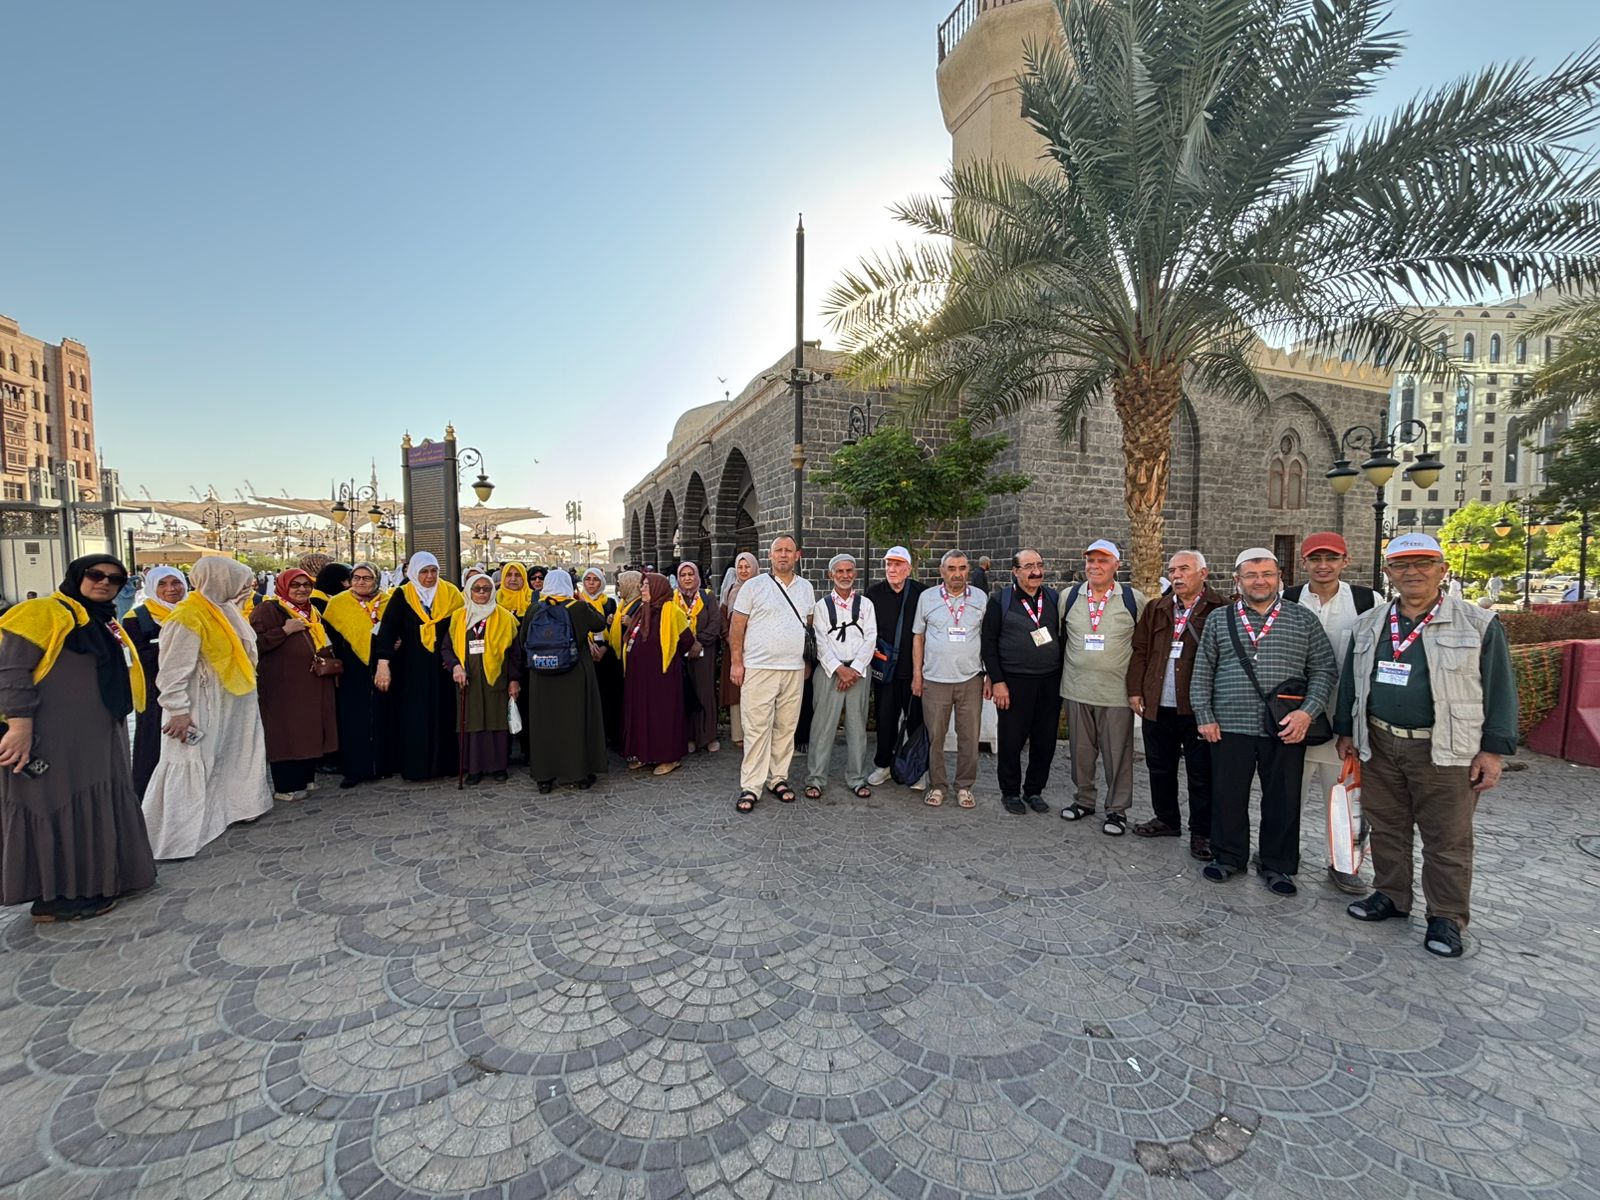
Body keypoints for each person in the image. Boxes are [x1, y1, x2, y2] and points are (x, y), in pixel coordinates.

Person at [1334, 533, 1518, 958]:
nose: (1411, 572)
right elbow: (1351, 683)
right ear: (1388, 573)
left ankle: (1446, 917)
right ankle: (1391, 896)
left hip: (1446, 749)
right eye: (1401, 565)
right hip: (1379, 741)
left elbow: (1500, 689)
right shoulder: (1371, 624)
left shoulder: (1477, 624)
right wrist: (1347, 730)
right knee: (1387, 828)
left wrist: (1493, 751)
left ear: (1442, 569)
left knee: (1447, 839)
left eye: (1422, 563)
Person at [0, 554, 156, 922]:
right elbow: (11, 669)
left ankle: (101, 880)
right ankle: (57, 897)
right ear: (76, 576)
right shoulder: (43, 612)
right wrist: (19, 727)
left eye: (115, 580)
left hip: (97, 736)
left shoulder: (100, 620)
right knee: (56, 802)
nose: (104, 583)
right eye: (95, 575)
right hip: (53, 737)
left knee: (96, 800)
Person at [1191, 548, 1337, 896]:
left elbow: (1323, 669)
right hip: (1229, 725)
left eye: (1267, 574)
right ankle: (1228, 857)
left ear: (1279, 578)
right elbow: (1202, 670)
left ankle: (1278, 865)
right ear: (1237, 580)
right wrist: (1204, 715)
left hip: (1285, 727)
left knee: (1283, 799)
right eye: (1252, 575)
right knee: (1227, 796)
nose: (1260, 581)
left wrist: (1308, 712)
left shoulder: (1302, 619)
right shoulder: (1219, 619)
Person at [141, 557, 273, 859]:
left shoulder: (225, 610)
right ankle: (176, 833)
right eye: (239, 582)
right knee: (192, 757)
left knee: (235, 752)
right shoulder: (187, 616)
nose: (246, 588)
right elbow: (173, 670)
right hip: (201, 701)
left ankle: (239, 807)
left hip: (234, 698)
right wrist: (177, 710)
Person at [1284, 532, 1378, 892]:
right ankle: (1280, 854)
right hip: (1292, 713)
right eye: (1315, 559)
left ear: (1345, 561)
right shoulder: (1288, 598)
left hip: (1344, 718)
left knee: (1342, 793)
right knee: (1286, 791)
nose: (1323, 566)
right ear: (1304, 562)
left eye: (1331, 559)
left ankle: (1343, 863)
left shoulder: (1367, 600)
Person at [1126, 550, 1226, 858]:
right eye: (1173, 570)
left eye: (1184, 569)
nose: (1177, 575)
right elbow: (1141, 649)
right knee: (1160, 767)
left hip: (1196, 707)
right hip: (1158, 703)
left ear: (1203, 574)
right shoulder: (1157, 608)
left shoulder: (1220, 609)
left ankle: (1202, 833)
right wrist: (1135, 690)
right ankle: (1167, 819)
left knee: (1200, 773)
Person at [1058, 539, 1148, 834]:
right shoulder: (1069, 597)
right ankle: (1084, 800)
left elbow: (1143, 648)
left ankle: (1117, 810)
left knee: (1117, 754)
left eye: (1102, 561)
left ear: (1117, 565)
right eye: (1091, 561)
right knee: (1081, 753)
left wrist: (1139, 689)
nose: (1095, 566)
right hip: (1076, 689)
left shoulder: (1134, 600)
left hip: (1116, 694)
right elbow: (1061, 639)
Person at [728, 536, 815, 812]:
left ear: (797, 555)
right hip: (758, 668)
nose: (783, 555)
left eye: (788, 550)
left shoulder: (806, 588)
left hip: (793, 670)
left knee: (786, 727)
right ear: (770, 555)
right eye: (778, 550)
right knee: (756, 728)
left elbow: (807, 626)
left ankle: (777, 778)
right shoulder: (753, 587)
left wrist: (806, 662)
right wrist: (736, 662)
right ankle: (751, 785)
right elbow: (737, 626)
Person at [980, 548, 1063, 815]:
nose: (1035, 571)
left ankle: (1034, 790)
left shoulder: (1053, 598)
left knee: (1045, 741)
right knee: (1011, 740)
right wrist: (998, 680)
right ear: (1015, 572)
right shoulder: (999, 601)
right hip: (1014, 683)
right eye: (1028, 566)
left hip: (1049, 683)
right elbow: (988, 644)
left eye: (1039, 565)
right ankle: (1011, 792)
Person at [373, 551, 464, 781]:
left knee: (444, 714)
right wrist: (383, 663)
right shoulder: (403, 595)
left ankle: (445, 765)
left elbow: (461, 627)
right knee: (415, 716)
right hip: (411, 667)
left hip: (442, 665)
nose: (430, 576)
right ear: (414, 572)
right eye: (424, 572)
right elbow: (388, 631)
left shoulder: (451, 593)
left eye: (433, 571)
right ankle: (417, 767)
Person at [251, 569, 340, 800]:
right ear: (283, 587)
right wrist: (283, 631)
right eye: (295, 585)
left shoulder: (312, 610)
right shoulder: (269, 609)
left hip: (311, 681)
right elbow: (253, 645)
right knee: (286, 731)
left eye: (306, 584)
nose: (302, 589)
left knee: (309, 729)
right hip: (283, 685)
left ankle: (306, 778)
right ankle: (286, 785)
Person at [913, 550, 990, 809]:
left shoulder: (980, 598)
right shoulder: (927, 598)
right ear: (941, 571)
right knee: (936, 736)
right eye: (952, 568)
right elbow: (918, 637)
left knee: (969, 737)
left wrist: (989, 675)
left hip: (970, 679)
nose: (957, 574)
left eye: (962, 568)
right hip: (935, 679)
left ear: (968, 570)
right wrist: (917, 674)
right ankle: (937, 785)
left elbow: (987, 638)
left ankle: (965, 786)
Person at [524, 569, 608, 792]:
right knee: (575, 723)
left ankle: (544, 776)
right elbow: (600, 623)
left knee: (544, 725)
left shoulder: (534, 608)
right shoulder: (577, 607)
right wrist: (581, 599)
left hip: (541, 676)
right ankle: (577, 774)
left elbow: (524, 638)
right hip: (574, 673)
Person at [804, 554, 878, 799]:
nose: (845, 575)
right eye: (840, 571)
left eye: (849, 571)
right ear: (831, 575)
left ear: (854, 574)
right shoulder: (822, 606)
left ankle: (857, 778)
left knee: (857, 728)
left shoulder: (866, 605)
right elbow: (821, 642)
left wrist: (854, 669)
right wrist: (839, 669)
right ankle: (815, 778)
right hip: (829, 672)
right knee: (823, 727)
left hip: (857, 673)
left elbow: (871, 638)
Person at [442, 572, 523, 784]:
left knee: (496, 723)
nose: (481, 593)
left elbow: (515, 654)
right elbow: (446, 648)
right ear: (468, 591)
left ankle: (498, 767)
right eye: (476, 589)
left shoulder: (505, 617)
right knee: (472, 722)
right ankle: (474, 768)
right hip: (468, 679)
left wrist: (514, 679)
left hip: (496, 679)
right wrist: (455, 667)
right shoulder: (459, 617)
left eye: (486, 589)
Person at [322, 562, 393, 789]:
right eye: (356, 577)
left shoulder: (388, 602)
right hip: (351, 668)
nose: (361, 582)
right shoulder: (338, 603)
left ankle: (382, 765)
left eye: (367, 578)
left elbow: (397, 629)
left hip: (383, 665)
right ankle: (354, 769)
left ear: (376, 580)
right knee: (354, 719)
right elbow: (330, 635)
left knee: (383, 715)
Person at [620, 571, 693, 775]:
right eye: (642, 585)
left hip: (662, 678)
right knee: (642, 714)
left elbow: (687, 640)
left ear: (658, 589)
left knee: (662, 715)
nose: (642, 589)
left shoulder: (672, 611)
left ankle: (669, 757)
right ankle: (644, 754)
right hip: (640, 677)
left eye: (646, 586)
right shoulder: (643, 611)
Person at [125, 565, 188, 799]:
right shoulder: (137, 618)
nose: (171, 589)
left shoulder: (194, 612)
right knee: (154, 743)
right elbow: (140, 657)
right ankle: (149, 797)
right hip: (156, 692)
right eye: (162, 584)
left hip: (191, 690)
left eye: (176, 582)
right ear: (152, 587)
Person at [865, 547, 926, 788]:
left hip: (914, 671)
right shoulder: (874, 593)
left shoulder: (921, 593)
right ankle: (883, 765)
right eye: (889, 564)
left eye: (898, 564)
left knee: (916, 721)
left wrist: (920, 672)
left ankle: (917, 768)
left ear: (908, 569)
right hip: (885, 671)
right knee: (885, 719)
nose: (892, 569)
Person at [676, 561, 722, 754]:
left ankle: (708, 736)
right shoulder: (672, 598)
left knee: (704, 691)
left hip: (704, 651)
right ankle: (689, 736)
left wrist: (699, 641)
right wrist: (686, 643)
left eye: (691, 574)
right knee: (685, 692)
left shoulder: (707, 596)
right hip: (680, 653)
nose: (687, 578)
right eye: (683, 575)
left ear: (697, 576)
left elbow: (715, 622)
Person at [578, 567, 623, 749]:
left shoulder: (610, 603)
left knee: (607, 695)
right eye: (587, 579)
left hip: (606, 656)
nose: (590, 583)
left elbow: (615, 630)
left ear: (601, 583)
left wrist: (604, 648)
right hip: (584, 654)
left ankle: (608, 734)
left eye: (595, 580)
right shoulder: (577, 602)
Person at [718, 553, 759, 748]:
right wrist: (730, 639)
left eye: (747, 567)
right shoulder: (731, 591)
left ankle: (755, 732)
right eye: (740, 567)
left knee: (757, 690)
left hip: (757, 648)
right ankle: (738, 734)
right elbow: (724, 618)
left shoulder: (762, 590)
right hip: (733, 649)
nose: (743, 571)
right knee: (736, 690)